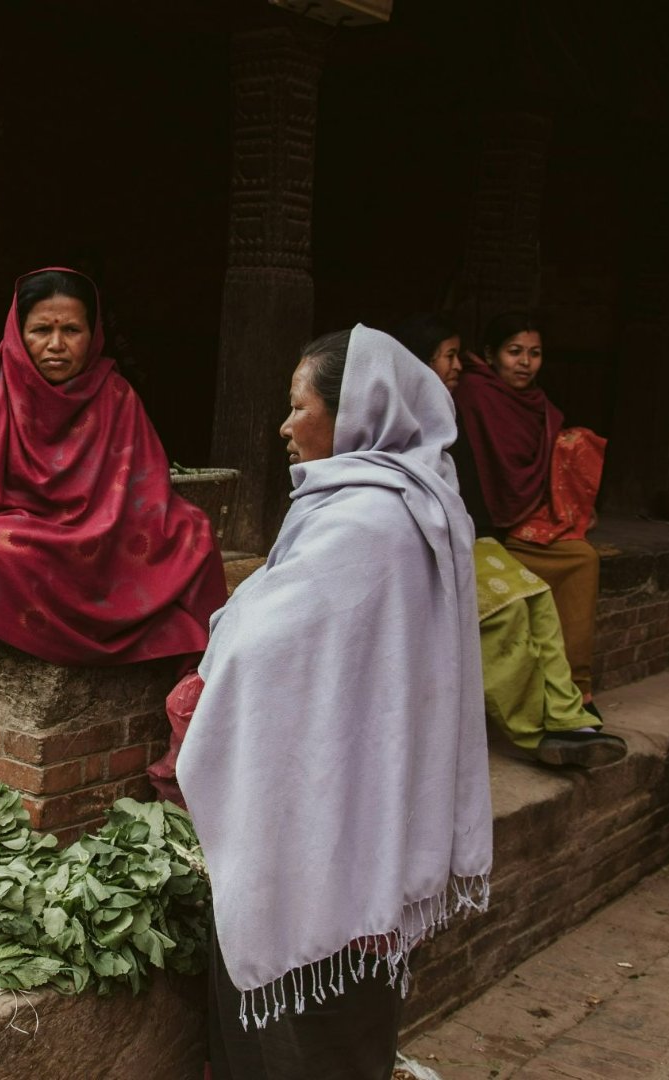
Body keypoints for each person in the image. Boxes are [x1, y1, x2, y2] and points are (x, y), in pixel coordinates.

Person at [179, 327, 492, 1079]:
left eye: (299, 407)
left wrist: (220, 645)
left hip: (320, 821)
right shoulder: (415, 504)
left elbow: (261, 648)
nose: (286, 428)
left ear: (354, 412)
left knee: (303, 1032)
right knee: (350, 1022)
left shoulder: (370, 523)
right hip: (368, 811)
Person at [0, 267, 227, 666]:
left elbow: (146, 496)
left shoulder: (116, 395)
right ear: (18, 331)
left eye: (72, 331)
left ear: (93, 334)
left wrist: (97, 529)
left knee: (194, 534)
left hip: (101, 540)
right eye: (42, 330)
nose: (56, 345)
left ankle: (206, 668)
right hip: (20, 538)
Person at [395, 314, 625, 768]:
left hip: (466, 535)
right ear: (422, 362)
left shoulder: (443, 406)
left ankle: (567, 716)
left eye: (460, 354)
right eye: (450, 356)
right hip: (423, 541)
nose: (461, 366)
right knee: (503, 611)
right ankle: (535, 734)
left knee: (536, 595)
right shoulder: (401, 410)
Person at [453, 312, 608, 716]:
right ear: (491, 355)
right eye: (514, 352)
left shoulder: (538, 404)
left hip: (524, 524)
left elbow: (546, 469)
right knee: (520, 603)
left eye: (534, 353)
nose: (525, 363)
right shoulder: (473, 393)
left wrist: (572, 509)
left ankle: (578, 689)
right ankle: (536, 703)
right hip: (480, 527)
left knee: (582, 558)